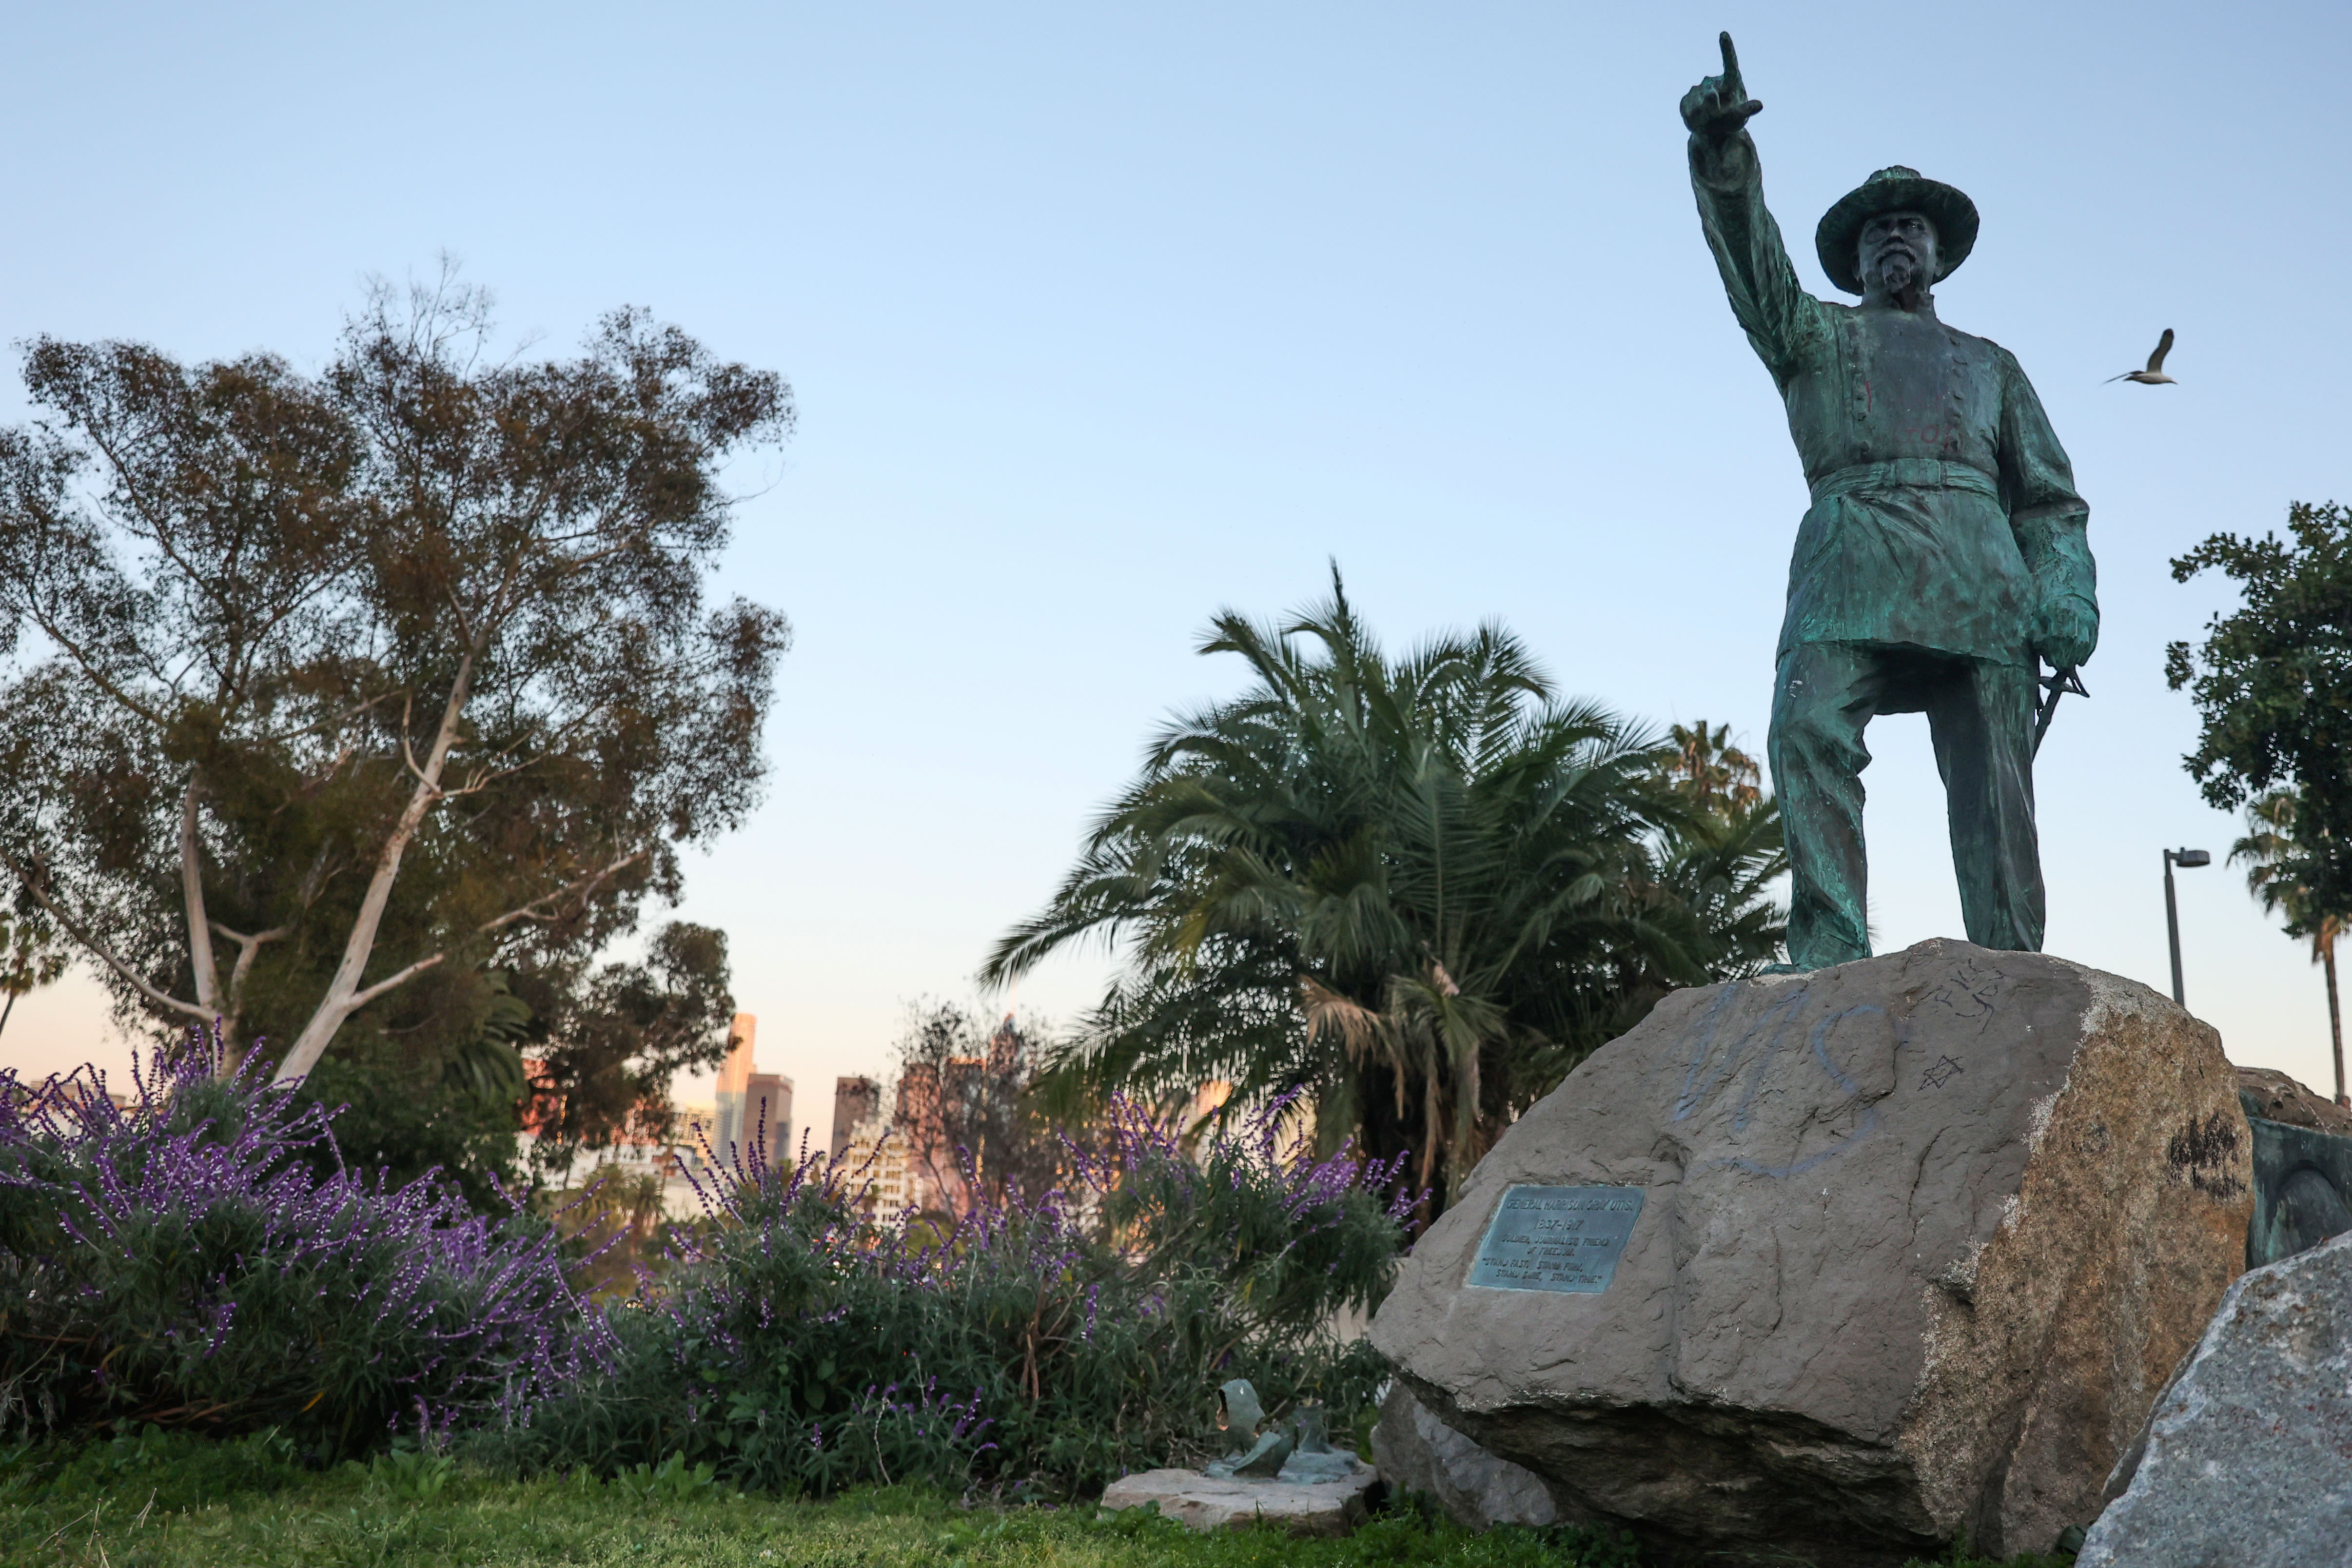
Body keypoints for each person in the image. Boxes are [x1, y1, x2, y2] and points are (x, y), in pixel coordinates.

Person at [1681, 33, 2097, 970]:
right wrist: (1725, 163)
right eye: (1878, 230)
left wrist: (2067, 593)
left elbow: (2049, 503)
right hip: (1849, 560)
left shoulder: (1993, 366)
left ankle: (2013, 966)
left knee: (1998, 787)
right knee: (1805, 729)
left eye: (1912, 227)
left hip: (1980, 578)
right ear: (1856, 260)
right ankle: (1828, 950)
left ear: (1940, 254)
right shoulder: (1811, 337)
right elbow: (1756, 272)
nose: (1896, 237)